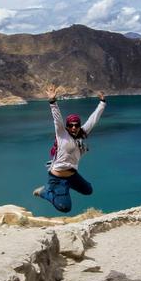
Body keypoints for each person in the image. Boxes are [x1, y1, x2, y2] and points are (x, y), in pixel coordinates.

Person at [33, 84, 106, 213]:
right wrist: (52, 101)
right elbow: (57, 119)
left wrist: (102, 103)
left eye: (76, 125)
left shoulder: (81, 133)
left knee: (88, 190)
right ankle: (45, 192)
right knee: (65, 208)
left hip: (72, 176)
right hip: (57, 178)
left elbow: (93, 120)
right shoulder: (62, 134)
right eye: (70, 125)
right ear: (67, 126)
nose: (73, 127)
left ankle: (66, 186)